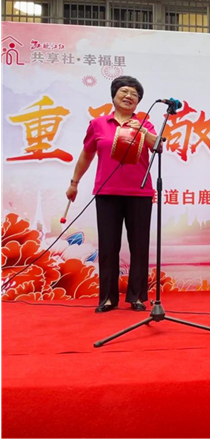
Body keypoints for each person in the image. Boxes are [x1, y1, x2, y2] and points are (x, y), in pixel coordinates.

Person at [66, 76, 158, 313]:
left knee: (139, 246)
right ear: (114, 95)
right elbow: (86, 155)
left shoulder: (145, 123)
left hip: (139, 192)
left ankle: (137, 297)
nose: (129, 96)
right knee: (108, 246)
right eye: (124, 91)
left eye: (135, 94)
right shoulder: (98, 124)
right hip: (107, 192)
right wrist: (74, 183)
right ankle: (107, 298)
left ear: (138, 102)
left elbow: (158, 146)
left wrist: (143, 132)